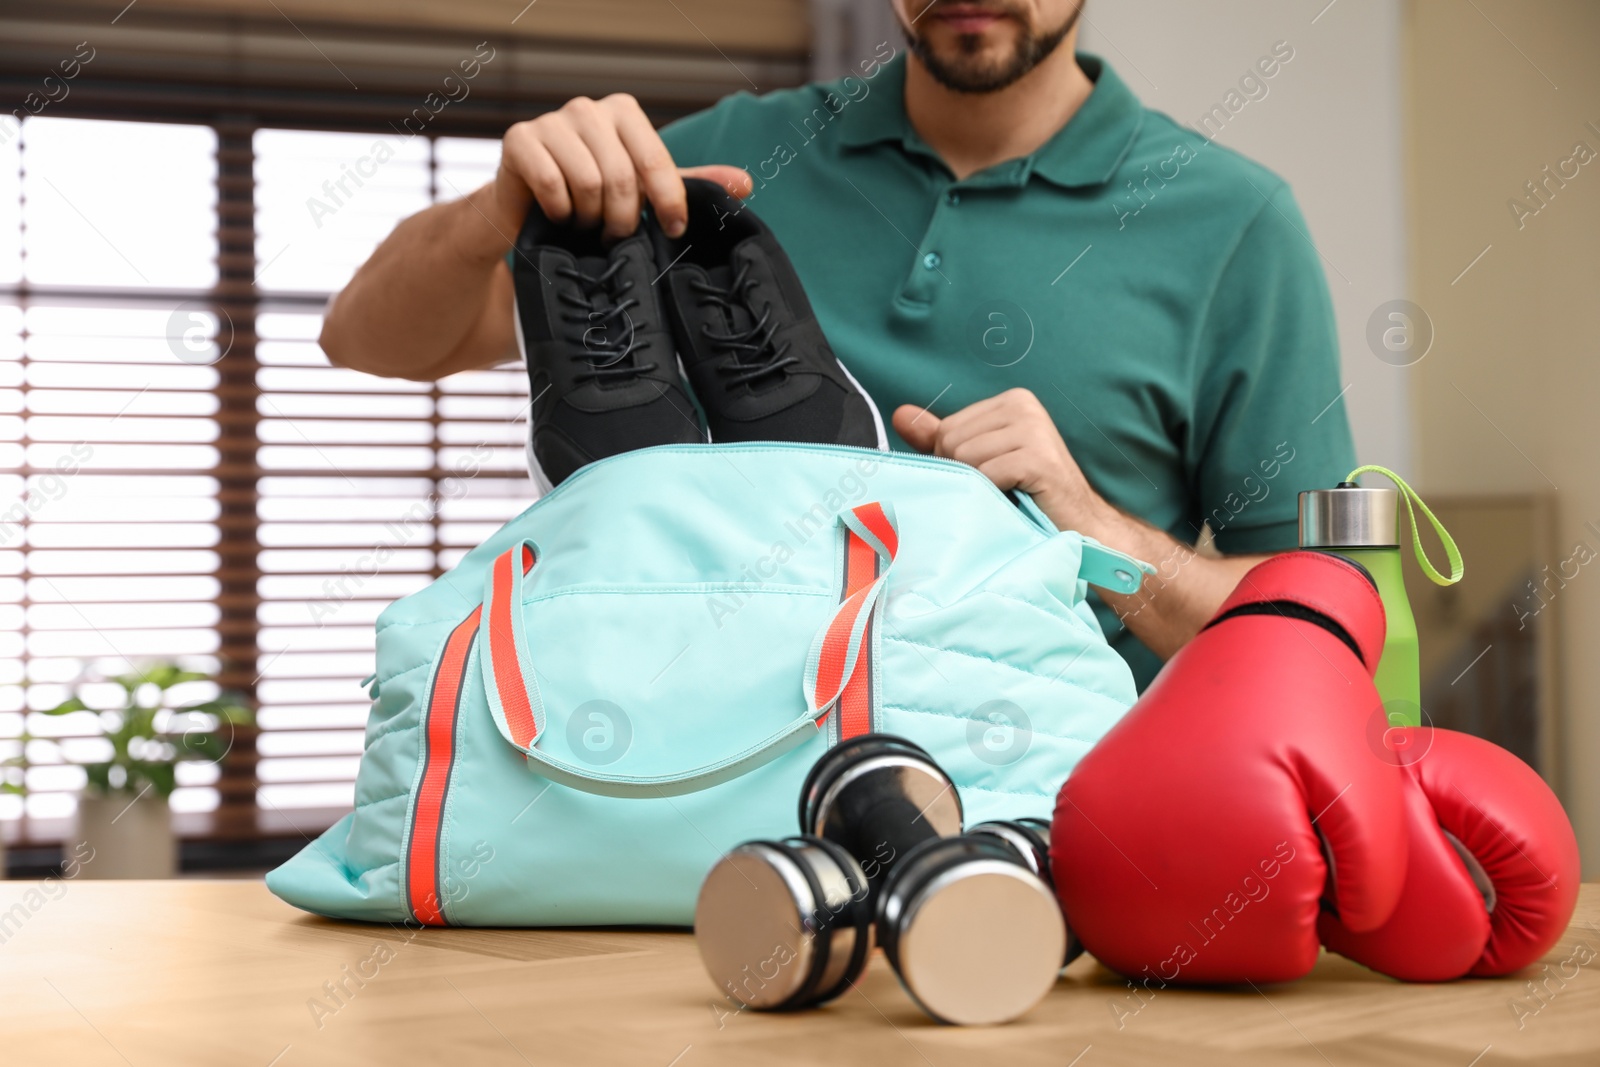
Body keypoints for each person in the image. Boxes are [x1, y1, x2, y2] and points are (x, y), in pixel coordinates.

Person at [319, 0, 1355, 690]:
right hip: (712, 795)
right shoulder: (729, 157)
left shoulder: (1235, 222)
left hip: (1064, 840)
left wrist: (1090, 527)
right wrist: (493, 214)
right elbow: (364, 336)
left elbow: (1331, 632)